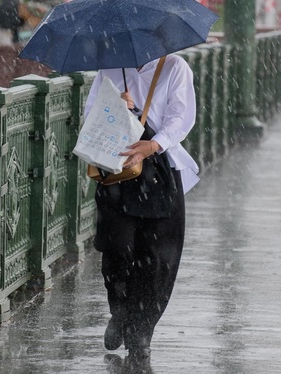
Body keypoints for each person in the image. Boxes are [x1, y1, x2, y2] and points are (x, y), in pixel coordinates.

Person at [83, 54, 199, 365]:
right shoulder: (109, 66)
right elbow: (89, 115)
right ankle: (119, 313)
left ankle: (142, 331)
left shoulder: (175, 68)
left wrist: (154, 143)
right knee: (116, 249)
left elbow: (182, 117)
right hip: (116, 171)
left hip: (158, 173)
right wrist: (115, 109)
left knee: (158, 260)